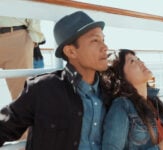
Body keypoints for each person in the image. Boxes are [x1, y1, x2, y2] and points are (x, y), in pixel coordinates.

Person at [0, 11, 110, 150]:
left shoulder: (112, 91)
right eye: (95, 40)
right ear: (71, 52)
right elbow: (4, 127)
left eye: (103, 40)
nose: (105, 47)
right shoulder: (42, 89)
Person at [101, 49, 163, 150]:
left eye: (138, 59)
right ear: (121, 76)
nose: (141, 62)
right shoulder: (121, 106)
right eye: (132, 61)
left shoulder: (153, 103)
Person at [0, 16, 45, 100]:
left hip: (16, 37)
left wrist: (35, 39)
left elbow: (32, 11)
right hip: (16, 37)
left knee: (21, 95)